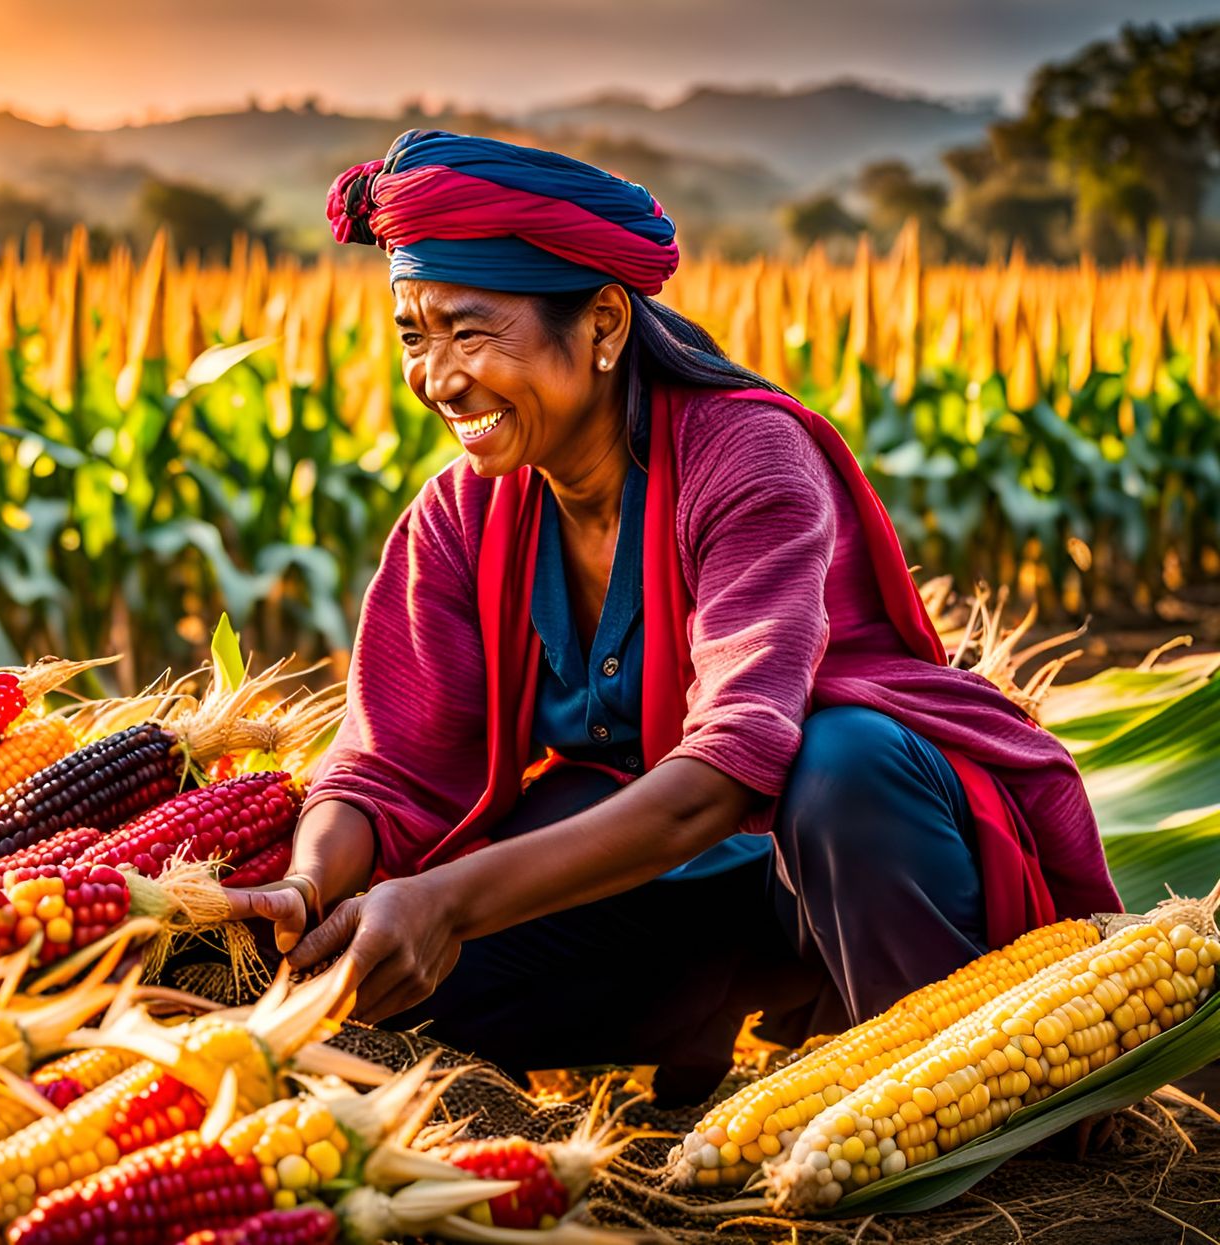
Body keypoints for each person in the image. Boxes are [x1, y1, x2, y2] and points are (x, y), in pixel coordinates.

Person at [229, 129, 1119, 1099]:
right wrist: (310, 887)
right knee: (397, 995)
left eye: (470, 332)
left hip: (840, 855)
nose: (438, 379)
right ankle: (712, 1006)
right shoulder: (460, 515)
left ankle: (945, 1077)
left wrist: (444, 899)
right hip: (665, 884)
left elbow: (723, 776)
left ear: (605, 324)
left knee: (842, 762)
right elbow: (387, 768)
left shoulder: (748, 459)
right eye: (415, 335)